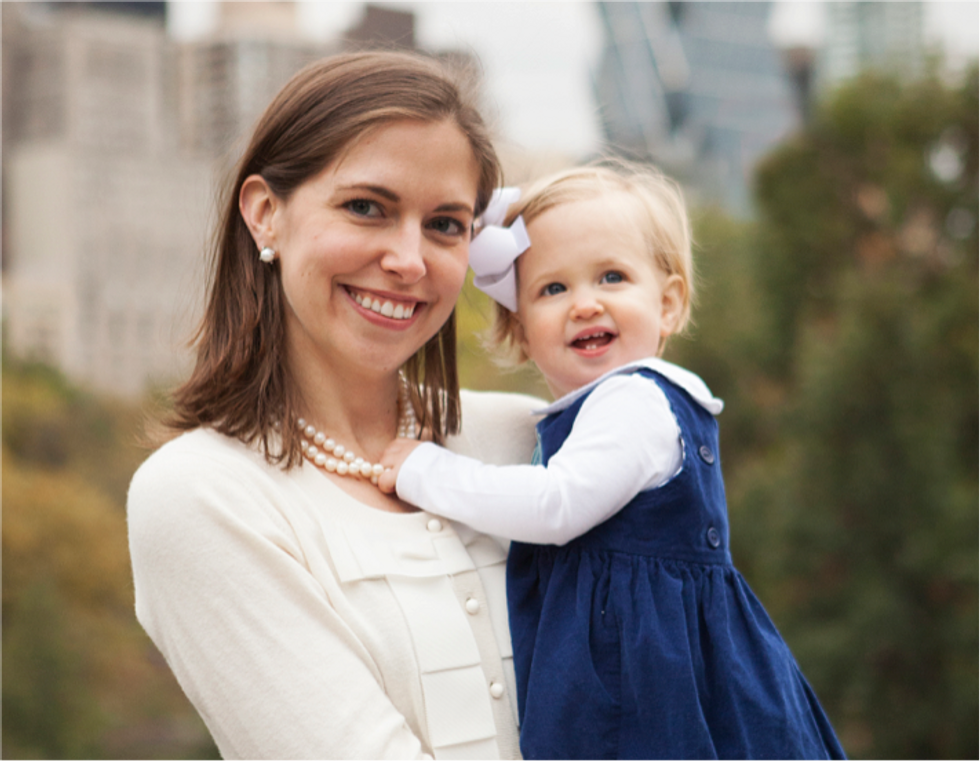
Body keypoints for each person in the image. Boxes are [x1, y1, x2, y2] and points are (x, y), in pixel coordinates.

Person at [126, 51, 541, 761]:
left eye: (445, 224)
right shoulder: (201, 495)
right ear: (264, 214)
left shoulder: (528, 438)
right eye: (366, 208)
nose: (409, 259)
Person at [379, 164, 849, 761]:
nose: (585, 303)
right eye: (553, 289)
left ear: (669, 304)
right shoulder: (595, 411)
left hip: (653, 687)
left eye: (612, 276)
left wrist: (426, 471)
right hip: (637, 675)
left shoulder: (636, 401)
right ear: (521, 329)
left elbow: (554, 505)